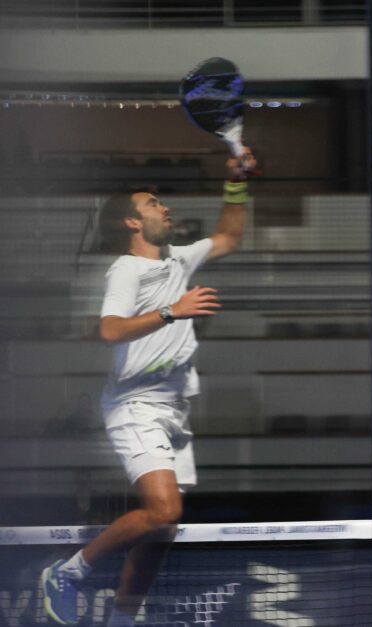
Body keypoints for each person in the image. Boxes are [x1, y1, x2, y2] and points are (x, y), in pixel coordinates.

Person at [40, 148, 256, 626]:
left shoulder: (179, 259)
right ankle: (66, 574)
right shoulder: (126, 269)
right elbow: (109, 330)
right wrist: (171, 311)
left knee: (163, 530)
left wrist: (236, 183)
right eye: (153, 203)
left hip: (173, 409)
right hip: (134, 403)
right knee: (162, 510)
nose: (165, 207)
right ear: (132, 222)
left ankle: (122, 619)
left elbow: (229, 236)